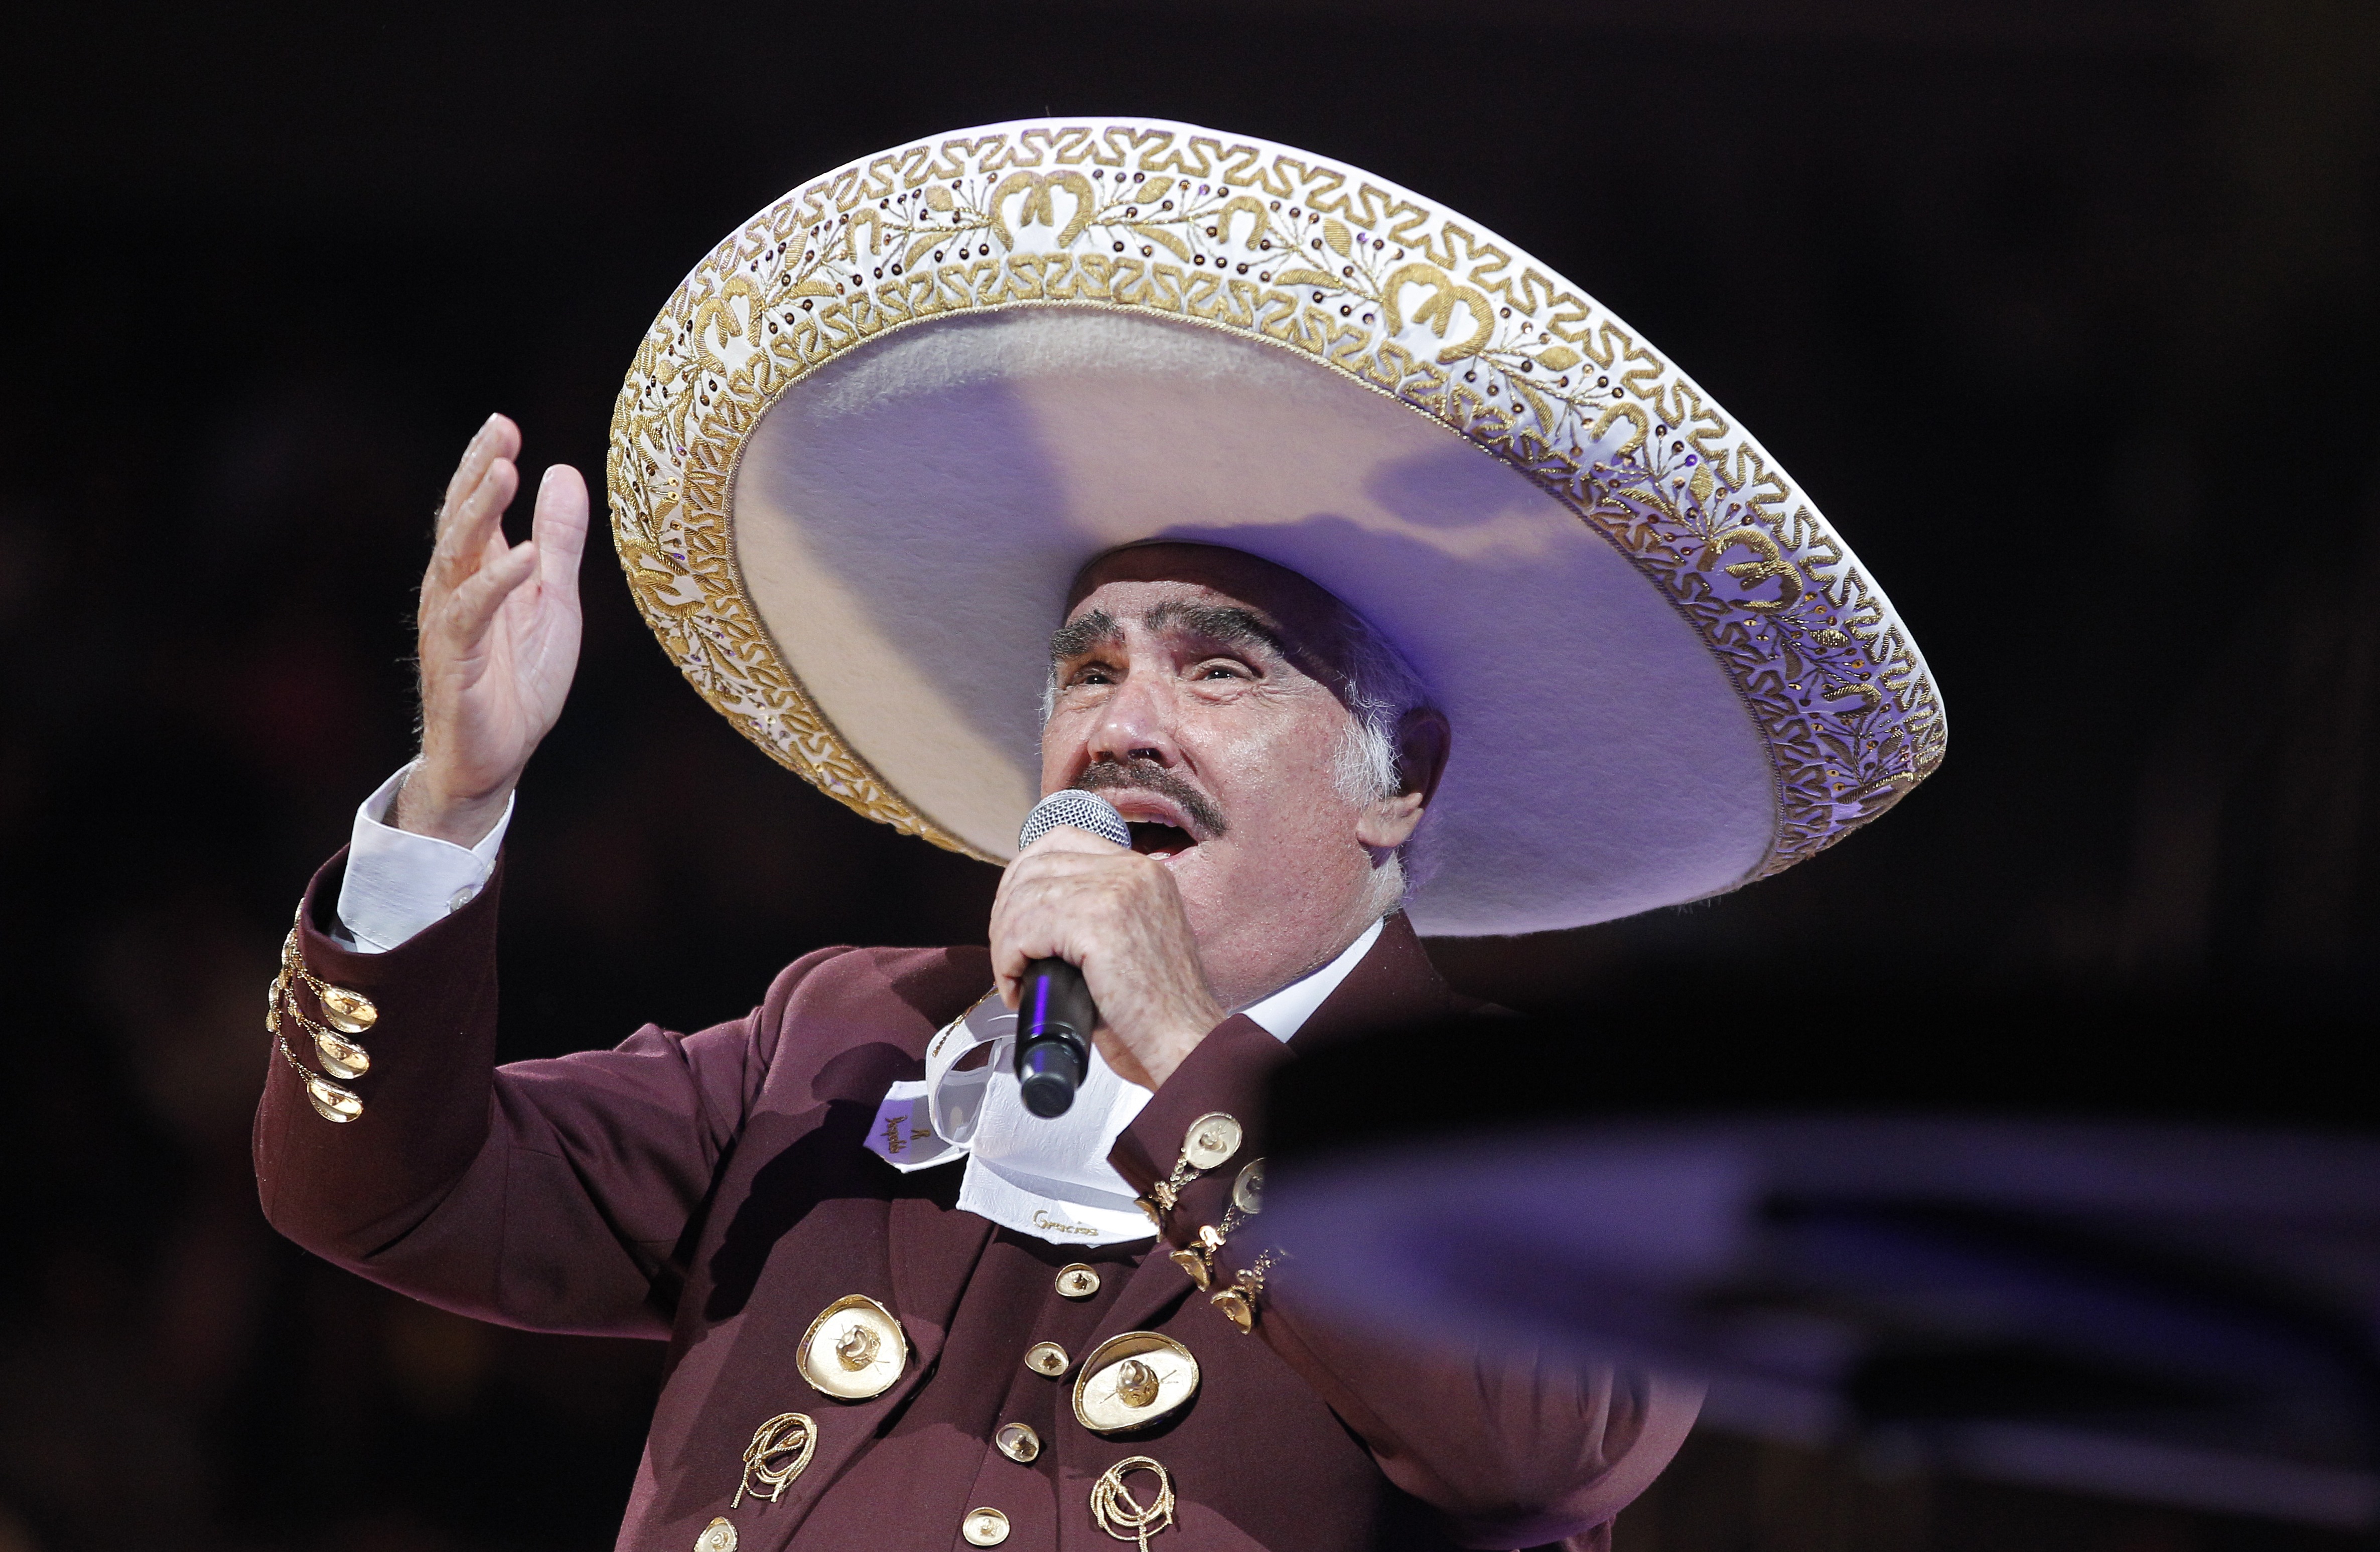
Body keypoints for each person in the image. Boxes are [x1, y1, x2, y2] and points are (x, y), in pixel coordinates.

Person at [256, 118, 1942, 1552]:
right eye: (1089, 666)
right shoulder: (844, 1040)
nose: (1123, 721)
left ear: (1399, 778)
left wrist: (1182, 1049)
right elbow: (387, 1195)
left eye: (1219, 669)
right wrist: (455, 803)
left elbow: (1539, 1438)